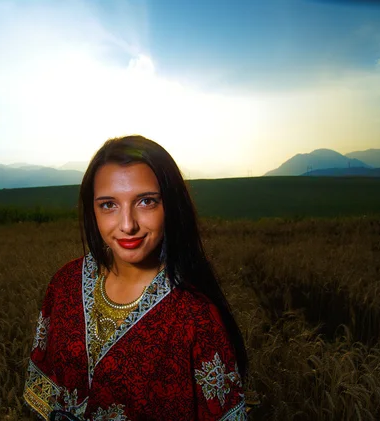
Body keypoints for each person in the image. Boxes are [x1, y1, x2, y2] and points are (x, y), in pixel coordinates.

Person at [23, 135, 249, 420]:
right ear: (92, 210)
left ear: (170, 207)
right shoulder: (65, 284)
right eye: (108, 205)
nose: (128, 225)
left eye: (146, 201)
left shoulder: (197, 318)